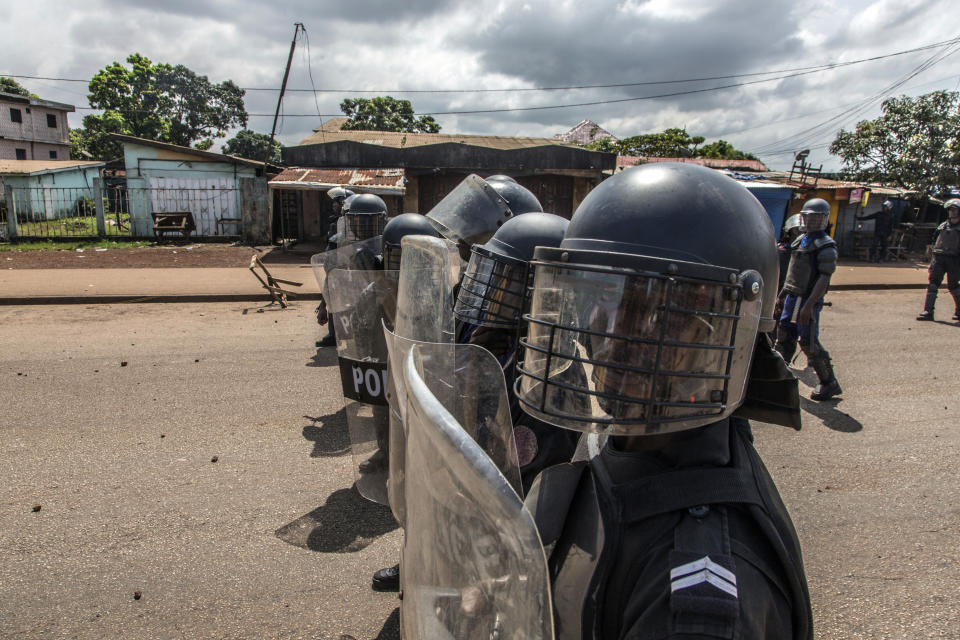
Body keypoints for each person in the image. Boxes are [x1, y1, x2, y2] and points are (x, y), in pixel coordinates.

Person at [515, 163, 812, 639]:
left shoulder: (698, 596)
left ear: (723, 334)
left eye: (659, 315)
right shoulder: (632, 442)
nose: (613, 342)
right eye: (605, 303)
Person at [453, 211, 578, 494]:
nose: (495, 293)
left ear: (544, 291)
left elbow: (520, 482)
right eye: (495, 278)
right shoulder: (505, 346)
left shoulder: (554, 377)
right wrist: (477, 369)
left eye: (507, 282)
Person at [775, 198, 842, 401]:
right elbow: (791, 274)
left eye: (816, 218)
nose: (811, 222)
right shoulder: (799, 241)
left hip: (807, 300)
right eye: (808, 217)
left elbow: (824, 277)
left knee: (808, 342)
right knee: (784, 336)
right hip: (792, 296)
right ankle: (778, 377)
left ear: (823, 220)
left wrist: (810, 305)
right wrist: (781, 297)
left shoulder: (826, 245)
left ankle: (829, 382)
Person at [916, 198, 960, 321]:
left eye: (954, 210)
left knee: (953, 287)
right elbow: (934, 241)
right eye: (950, 210)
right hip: (939, 258)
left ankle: (959, 311)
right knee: (933, 284)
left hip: (955, 260)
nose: (952, 212)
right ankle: (928, 312)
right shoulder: (942, 226)